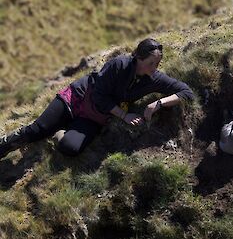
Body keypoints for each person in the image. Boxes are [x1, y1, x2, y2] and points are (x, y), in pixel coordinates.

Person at [0, 38, 194, 158]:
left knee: (70, 149)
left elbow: (186, 92)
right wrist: (123, 116)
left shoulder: (154, 78)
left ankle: (61, 131)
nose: (155, 68)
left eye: (157, 63)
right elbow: (99, 96)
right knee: (38, 130)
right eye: (151, 63)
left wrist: (158, 103)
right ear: (138, 58)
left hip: (94, 117)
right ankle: (4, 144)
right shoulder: (118, 65)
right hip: (77, 98)